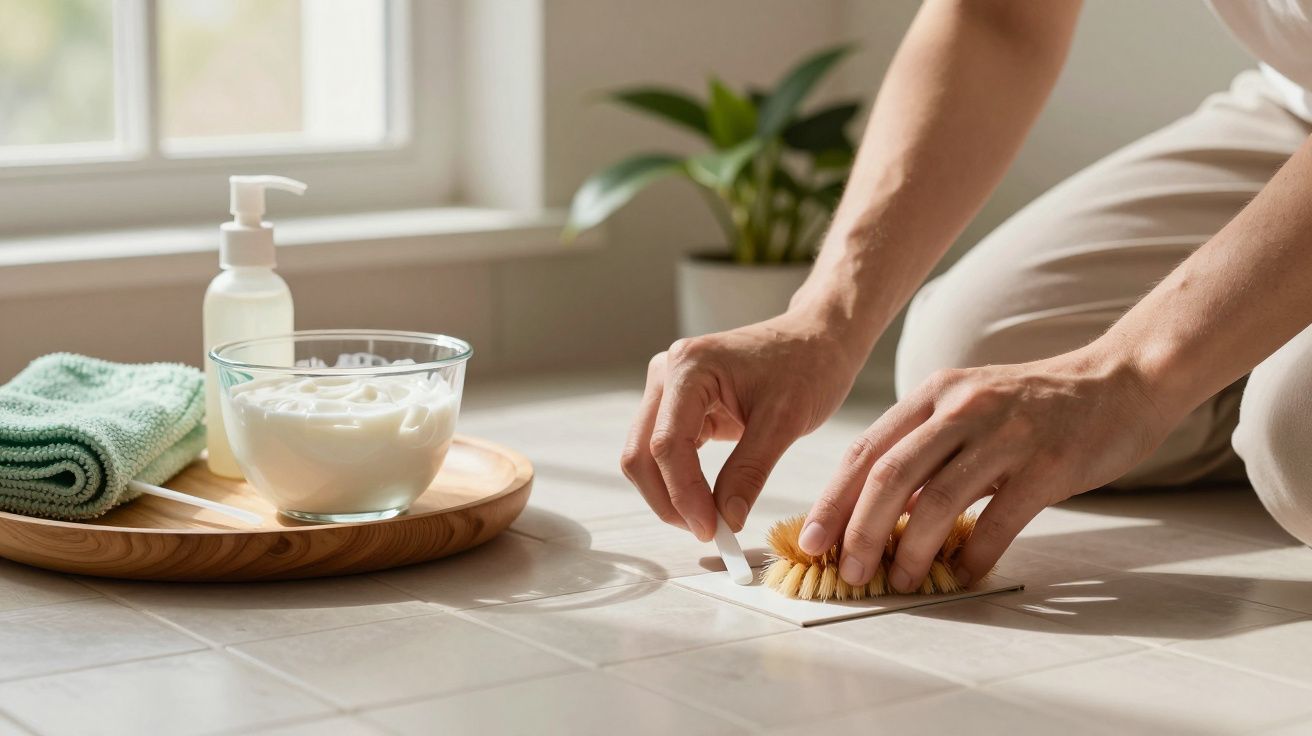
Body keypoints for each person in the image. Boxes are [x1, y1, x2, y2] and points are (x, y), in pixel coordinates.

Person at [620, 0, 1312, 595]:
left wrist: (1127, 375)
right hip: (1295, 102)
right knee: (967, 353)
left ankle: (1254, 390)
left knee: (1295, 437)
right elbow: (997, 15)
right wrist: (823, 320)